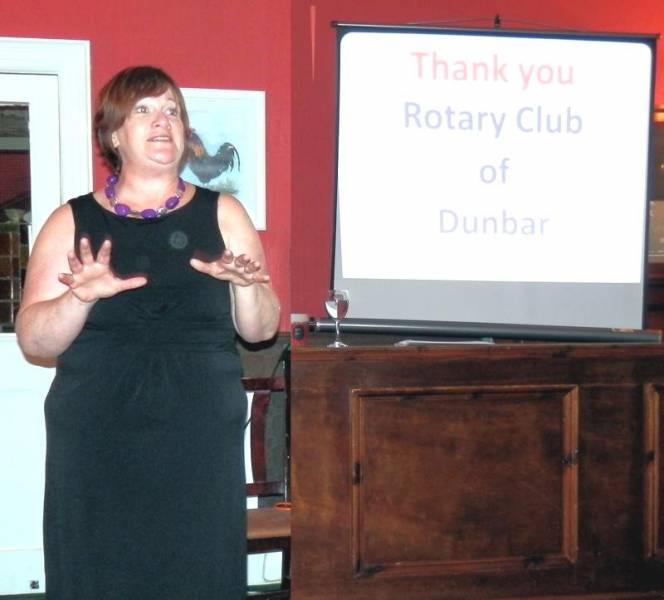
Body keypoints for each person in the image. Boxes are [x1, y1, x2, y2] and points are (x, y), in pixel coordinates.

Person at [15, 65, 280, 599]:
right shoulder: (72, 221)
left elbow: (261, 330)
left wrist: (245, 287)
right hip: (97, 433)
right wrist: (78, 297)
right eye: (144, 110)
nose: (163, 121)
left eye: (172, 111)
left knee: (195, 568)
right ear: (113, 135)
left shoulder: (224, 213)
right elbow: (34, 341)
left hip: (198, 432)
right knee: (101, 569)